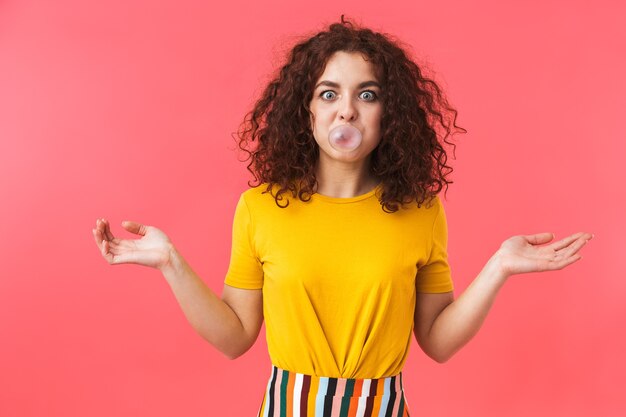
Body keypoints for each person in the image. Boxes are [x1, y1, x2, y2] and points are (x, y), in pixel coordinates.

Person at [92, 16, 593, 417]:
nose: (346, 112)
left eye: (367, 95)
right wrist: (170, 263)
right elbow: (235, 337)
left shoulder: (421, 210)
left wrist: (499, 267)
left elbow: (437, 342)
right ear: (306, 111)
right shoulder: (260, 207)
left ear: (388, 114)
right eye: (328, 94)